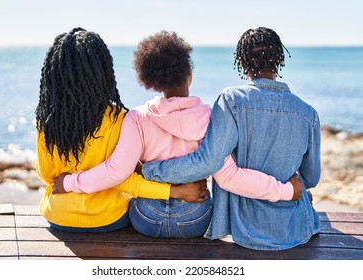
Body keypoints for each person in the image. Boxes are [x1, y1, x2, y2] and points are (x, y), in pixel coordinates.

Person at [53, 30, 303, 238]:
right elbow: (228, 176)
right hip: (195, 218)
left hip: (146, 218)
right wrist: (284, 191)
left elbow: (115, 171)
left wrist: (69, 182)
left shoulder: (137, 117)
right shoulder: (210, 117)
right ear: (189, 76)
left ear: (153, 81)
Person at [140, 27, 321, 250]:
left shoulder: (232, 101)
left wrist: (151, 170)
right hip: (296, 227)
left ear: (242, 62)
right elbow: (311, 179)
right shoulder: (308, 112)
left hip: (245, 228)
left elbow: (208, 162)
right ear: (279, 59)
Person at [35, 27, 208, 233]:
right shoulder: (117, 118)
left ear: (55, 75)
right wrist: (175, 190)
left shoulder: (46, 119)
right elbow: (123, 180)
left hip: (58, 216)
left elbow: (47, 176)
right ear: (103, 72)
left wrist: (69, 178)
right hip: (108, 219)